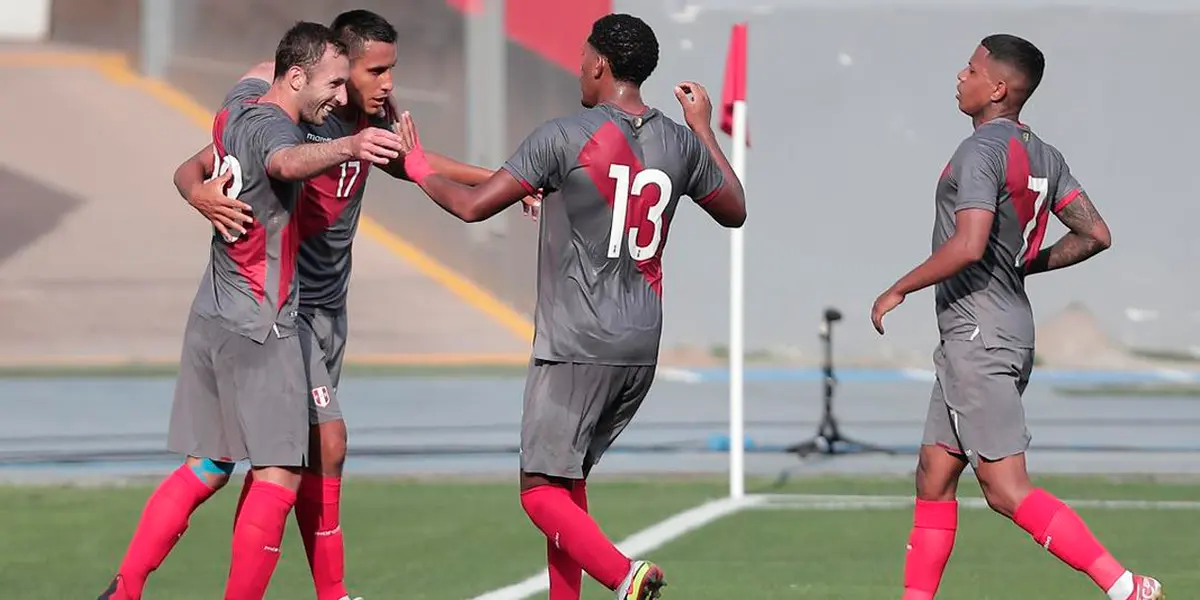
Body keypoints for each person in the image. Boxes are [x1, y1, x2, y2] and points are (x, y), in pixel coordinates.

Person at [394, 12, 745, 600]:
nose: (578, 65)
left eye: (584, 56)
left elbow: (474, 206)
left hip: (577, 340)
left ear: (600, 65)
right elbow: (733, 208)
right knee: (568, 480)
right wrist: (704, 127)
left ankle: (623, 575)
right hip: (639, 341)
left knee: (538, 490)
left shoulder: (563, 135)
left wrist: (418, 168)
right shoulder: (679, 142)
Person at [170, 10, 511, 600]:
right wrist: (198, 193)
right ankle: (328, 592)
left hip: (330, 313)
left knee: (291, 458)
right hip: (284, 312)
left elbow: (419, 165)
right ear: (338, 68)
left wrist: (511, 182)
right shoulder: (302, 125)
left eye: (391, 70)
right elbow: (216, 156)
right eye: (375, 70)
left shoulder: (372, 121)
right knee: (312, 447)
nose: (388, 83)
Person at [98, 21, 408, 600]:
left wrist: (196, 192)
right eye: (332, 85)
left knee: (211, 463)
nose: (339, 98)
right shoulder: (278, 130)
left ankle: (125, 588)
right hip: (264, 324)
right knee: (281, 471)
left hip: (212, 312)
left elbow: (224, 120)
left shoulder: (238, 107)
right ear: (297, 77)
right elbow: (285, 163)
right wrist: (349, 144)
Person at [870, 34, 1163, 600]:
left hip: (979, 334)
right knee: (934, 476)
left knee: (1004, 488)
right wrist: (1023, 265)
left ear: (998, 88)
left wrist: (896, 289)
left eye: (972, 68)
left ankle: (1126, 587)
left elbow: (969, 243)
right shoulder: (1044, 154)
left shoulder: (980, 151)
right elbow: (1095, 233)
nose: (961, 75)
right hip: (990, 331)